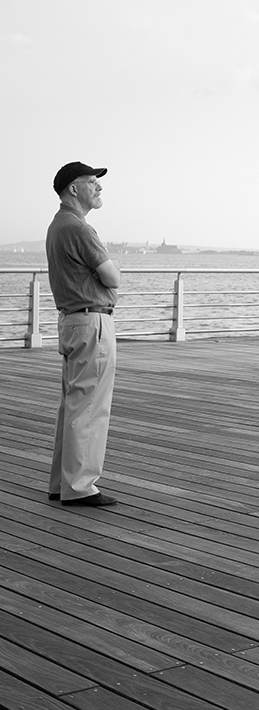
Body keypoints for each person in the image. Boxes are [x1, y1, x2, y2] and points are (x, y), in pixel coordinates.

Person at [45, 161, 121, 507]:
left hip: (72, 321)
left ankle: (63, 483)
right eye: (92, 182)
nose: (99, 188)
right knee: (89, 406)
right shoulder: (79, 228)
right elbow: (111, 276)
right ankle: (80, 486)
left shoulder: (57, 226)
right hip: (92, 321)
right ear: (74, 189)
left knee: (74, 403)